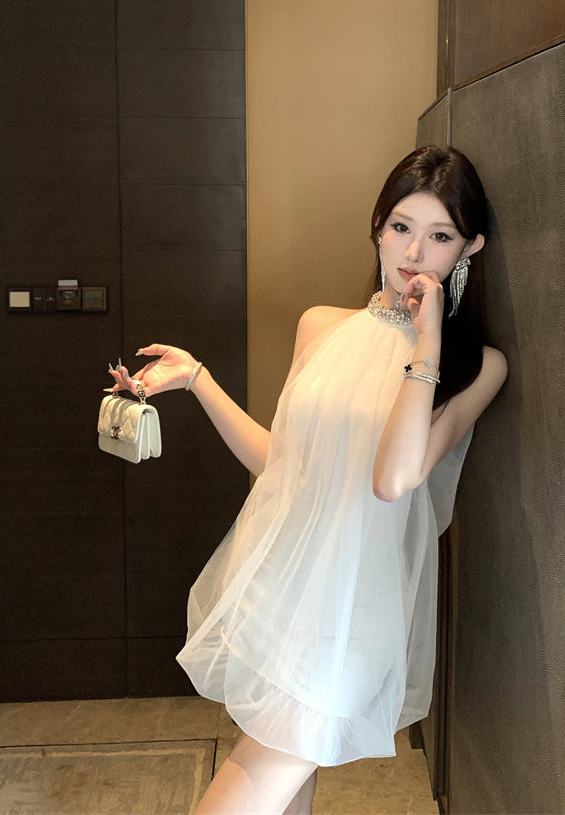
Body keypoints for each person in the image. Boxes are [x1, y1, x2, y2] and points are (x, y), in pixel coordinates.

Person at [107, 146, 507, 814]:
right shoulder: (321, 326)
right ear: (377, 226)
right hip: (282, 593)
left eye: (440, 237)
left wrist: (428, 340)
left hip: (351, 620)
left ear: (470, 248)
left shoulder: (477, 366)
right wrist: (197, 379)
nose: (414, 253)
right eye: (401, 227)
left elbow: (394, 479)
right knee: (285, 793)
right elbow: (278, 463)